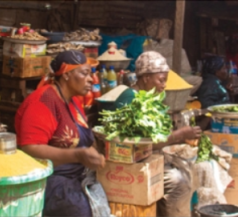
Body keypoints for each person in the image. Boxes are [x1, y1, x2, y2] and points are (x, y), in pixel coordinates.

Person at [15, 50, 107, 217]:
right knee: (81, 209)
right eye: (84, 73)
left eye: (91, 74)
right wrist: (77, 155)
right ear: (66, 74)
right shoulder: (44, 100)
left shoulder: (73, 101)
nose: (91, 79)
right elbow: (29, 148)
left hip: (76, 176)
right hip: (49, 180)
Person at [114, 51, 202, 150]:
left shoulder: (149, 99)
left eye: (165, 81)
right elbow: (142, 144)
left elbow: (158, 138)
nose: (164, 85)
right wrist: (180, 134)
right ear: (146, 78)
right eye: (161, 80)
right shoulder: (130, 98)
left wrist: (183, 138)